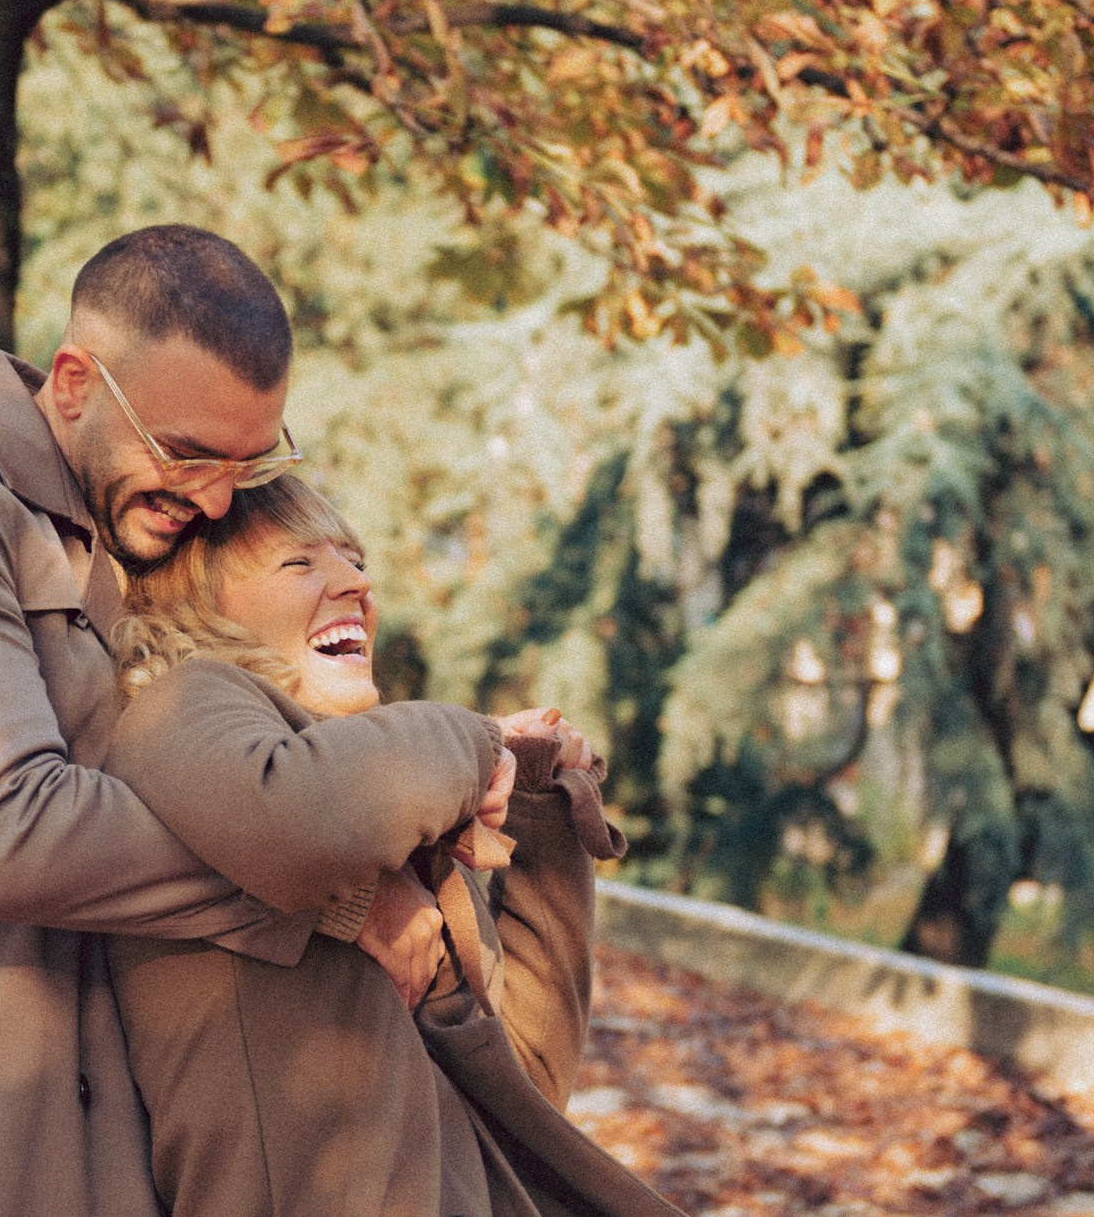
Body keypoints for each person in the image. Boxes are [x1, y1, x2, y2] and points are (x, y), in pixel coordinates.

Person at [0, 225, 517, 1217]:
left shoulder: (122, 523)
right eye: (187, 453)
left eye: (248, 462)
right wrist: (323, 891)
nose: (213, 497)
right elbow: (1, 832)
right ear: (75, 383)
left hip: (75, 1144)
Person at [103, 476, 682, 1217]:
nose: (357, 583)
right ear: (196, 606)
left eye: (354, 560)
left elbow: (525, 1087)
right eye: (299, 563)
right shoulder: (181, 702)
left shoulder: (381, 818)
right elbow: (296, 817)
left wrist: (541, 809)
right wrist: (480, 739)